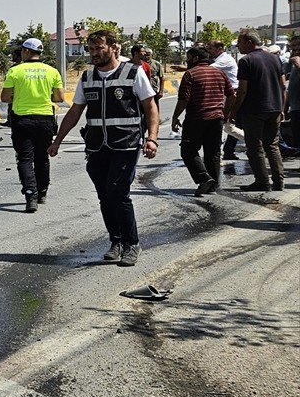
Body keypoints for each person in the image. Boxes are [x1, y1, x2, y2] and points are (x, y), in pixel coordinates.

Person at [49, 30, 158, 267]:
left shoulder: (133, 73)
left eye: (99, 48)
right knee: (105, 195)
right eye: (91, 49)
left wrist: (152, 138)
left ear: (113, 48)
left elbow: (150, 107)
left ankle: (131, 243)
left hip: (126, 144)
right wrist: (57, 141)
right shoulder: (87, 77)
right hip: (97, 146)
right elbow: (75, 111)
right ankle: (116, 241)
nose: (94, 53)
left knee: (118, 191)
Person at [0, 38, 64, 212]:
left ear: (26, 51)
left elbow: (5, 98)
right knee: (42, 158)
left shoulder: (15, 71)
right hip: (45, 120)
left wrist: (19, 97)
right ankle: (42, 192)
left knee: (25, 159)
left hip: (22, 121)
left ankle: (30, 194)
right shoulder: (52, 71)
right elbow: (59, 98)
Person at [226, 31, 285, 191]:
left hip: (255, 110)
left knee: (255, 146)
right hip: (274, 108)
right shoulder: (275, 58)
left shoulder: (246, 61)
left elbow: (242, 90)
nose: (238, 45)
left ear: (249, 42)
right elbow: (282, 85)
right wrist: (282, 107)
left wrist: (233, 111)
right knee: (272, 145)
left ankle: (262, 181)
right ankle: (279, 182)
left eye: (240, 42)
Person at [171, 46, 233, 197]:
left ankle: (204, 178)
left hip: (196, 119)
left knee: (188, 150)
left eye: (188, 57)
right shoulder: (219, 73)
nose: (187, 60)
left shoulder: (190, 74)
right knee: (213, 152)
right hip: (216, 118)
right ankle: (213, 184)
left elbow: (184, 99)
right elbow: (231, 95)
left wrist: (175, 117)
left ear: (196, 58)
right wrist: (225, 114)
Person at [286, 36, 300, 154]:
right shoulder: (294, 62)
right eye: (292, 47)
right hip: (295, 107)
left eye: (297, 45)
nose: (294, 49)